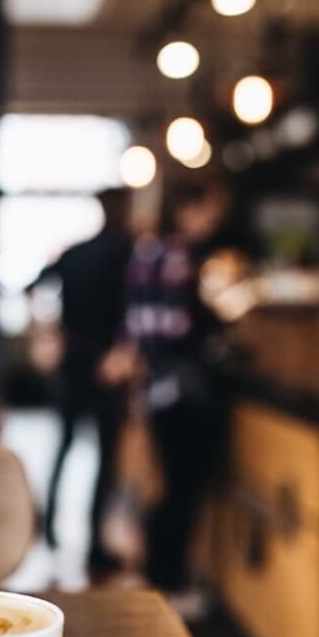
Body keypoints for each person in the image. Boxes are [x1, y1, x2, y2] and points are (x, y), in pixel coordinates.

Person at [115, 180, 228, 599]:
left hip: (155, 389)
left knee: (164, 486)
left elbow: (134, 325)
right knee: (182, 489)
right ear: (185, 207)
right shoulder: (179, 258)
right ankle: (170, 584)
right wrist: (218, 326)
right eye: (208, 212)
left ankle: (157, 576)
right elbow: (178, 330)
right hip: (181, 390)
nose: (212, 222)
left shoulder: (144, 254)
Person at [29, 188, 133, 575]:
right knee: (104, 457)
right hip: (108, 365)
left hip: (73, 360)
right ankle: (93, 546)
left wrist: (45, 335)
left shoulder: (75, 253)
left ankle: (49, 528)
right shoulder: (127, 253)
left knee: (65, 444)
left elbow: (32, 288)